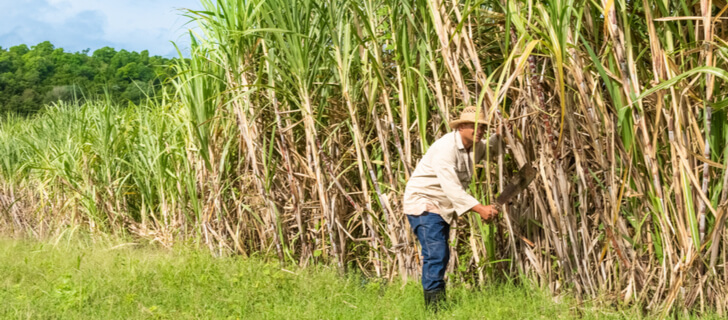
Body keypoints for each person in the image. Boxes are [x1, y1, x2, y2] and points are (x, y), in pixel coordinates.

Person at [403, 106, 502, 311]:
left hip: (441, 208)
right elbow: (452, 189)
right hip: (424, 203)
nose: (480, 131)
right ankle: (435, 310)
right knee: (436, 254)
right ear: (462, 127)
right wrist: (481, 209)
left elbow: (491, 149)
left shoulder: (473, 147)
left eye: (483, 127)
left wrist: (503, 135)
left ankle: (437, 307)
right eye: (475, 126)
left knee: (440, 254)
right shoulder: (445, 148)